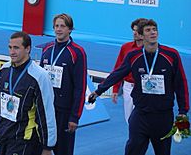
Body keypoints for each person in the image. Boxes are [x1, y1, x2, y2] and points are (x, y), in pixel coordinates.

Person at [88, 19, 189, 155]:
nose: (153, 32)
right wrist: (98, 91)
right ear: (141, 35)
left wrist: (183, 111)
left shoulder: (171, 55)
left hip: (163, 116)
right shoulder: (133, 56)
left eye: (154, 29)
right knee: (132, 149)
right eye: (148, 30)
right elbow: (117, 74)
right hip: (140, 114)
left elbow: (181, 84)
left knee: (163, 152)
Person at [0, 31, 56, 155]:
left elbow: (46, 114)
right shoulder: (5, 70)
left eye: (16, 48)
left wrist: (47, 147)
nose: (12, 52)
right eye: (10, 47)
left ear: (28, 49)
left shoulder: (39, 76)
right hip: (3, 136)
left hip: (24, 141)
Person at [40, 13, 87, 155]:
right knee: (42, 149)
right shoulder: (47, 49)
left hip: (65, 113)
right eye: (56, 26)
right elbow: (40, 80)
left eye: (63, 26)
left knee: (63, 151)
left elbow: (80, 86)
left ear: (70, 29)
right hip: (47, 110)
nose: (59, 29)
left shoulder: (77, 52)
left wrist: (74, 117)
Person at [112, 18, 146, 124]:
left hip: (145, 88)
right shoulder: (125, 47)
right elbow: (118, 69)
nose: (134, 33)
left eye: (137, 30)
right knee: (129, 120)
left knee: (142, 120)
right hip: (128, 88)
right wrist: (115, 89)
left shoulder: (152, 49)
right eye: (133, 30)